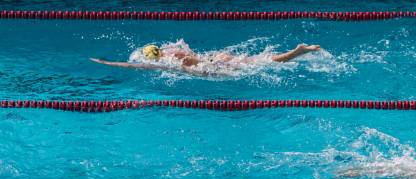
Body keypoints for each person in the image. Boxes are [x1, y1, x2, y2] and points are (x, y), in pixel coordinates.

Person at [91, 42, 322, 76]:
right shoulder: (172, 48)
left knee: (257, 66)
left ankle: (295, 53)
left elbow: (135, 65)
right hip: (211, 56)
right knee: (254, 60)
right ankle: (294, 54)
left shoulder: (163, 62)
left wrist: (107, 63)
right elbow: (185, 45)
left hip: (210, 66)